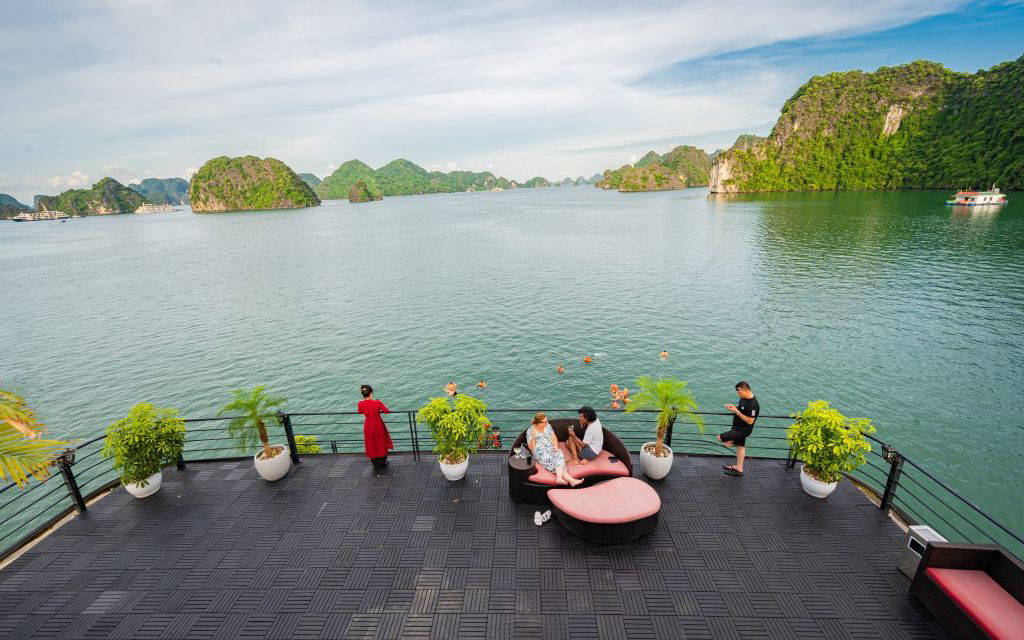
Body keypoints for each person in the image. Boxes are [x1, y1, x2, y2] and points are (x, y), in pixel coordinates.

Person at [525, 412, 582, 486]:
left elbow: (553, 437)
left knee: (559, 453)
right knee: (552, 460)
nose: (547, 422)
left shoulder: (548, 426)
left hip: (551, 447)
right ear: (538, 423)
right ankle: (571, 480)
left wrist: (555, 445)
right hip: (540, 451)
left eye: (546, 420)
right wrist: (533, 437)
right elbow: (531, 448)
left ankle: (560, 479)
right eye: (545, 422)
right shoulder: (530, 431)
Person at [717, 381, 759, 476]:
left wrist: (737, 411)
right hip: (737, 427)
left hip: (743, 430)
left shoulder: (753, 405)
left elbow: (750, 421)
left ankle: (732, 442)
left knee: (720, 437)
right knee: (741, 447)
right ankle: (739, 468)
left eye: (739, 392)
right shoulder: (743, 397)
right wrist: (733, 407)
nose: (738, 394)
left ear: (746, 391)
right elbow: (741, 408)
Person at [358, 384, 393, 472]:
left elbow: (360, 411)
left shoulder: (360, 403)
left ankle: (375, 464)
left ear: (363, 394)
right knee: (381, 443)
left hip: (368, 426)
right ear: (371, 393)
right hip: (378, 425)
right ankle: (382, 464)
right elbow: (386, 411)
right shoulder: (377, 402)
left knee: (371, 443)